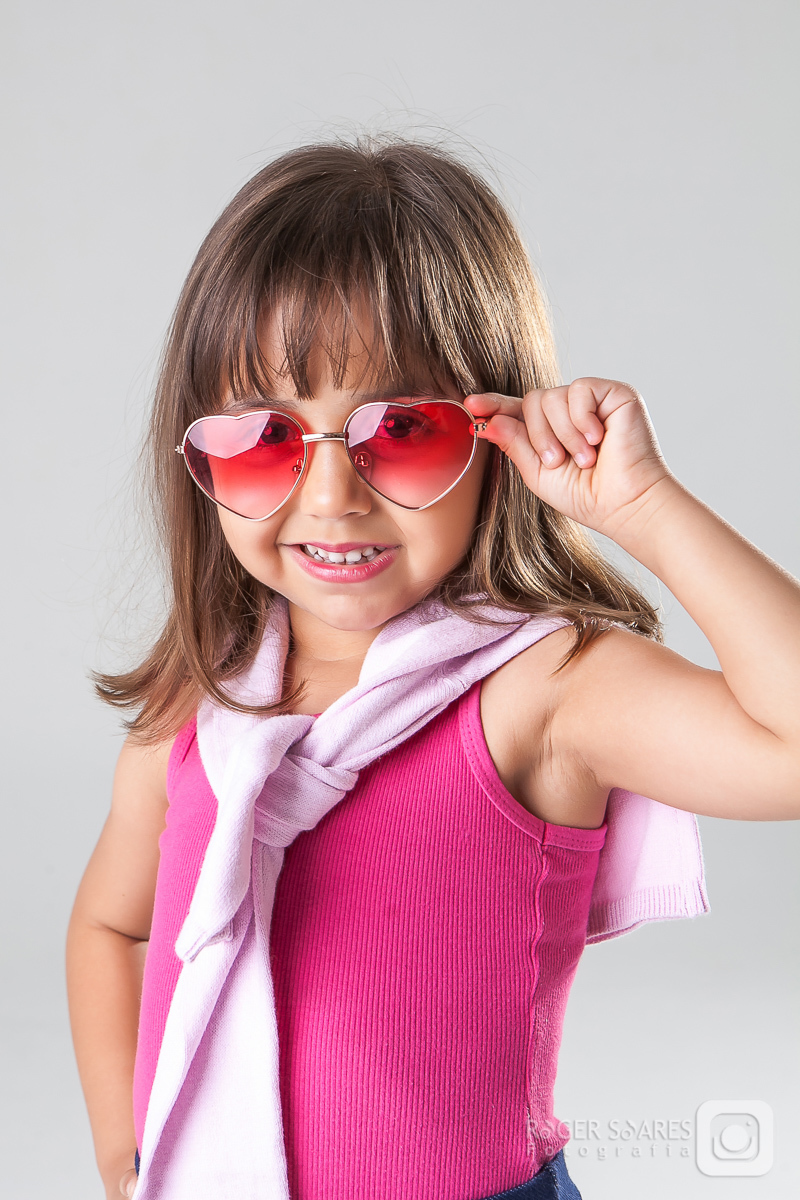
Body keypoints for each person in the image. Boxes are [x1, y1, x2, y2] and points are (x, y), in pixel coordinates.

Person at [65, 137, 800, 1200]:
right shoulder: (201, 706)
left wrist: (642, 508)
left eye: (399, 431)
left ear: (496, 432)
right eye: (267, 438)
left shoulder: (541, 693)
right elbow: (114, 923)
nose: (328, 498)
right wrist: (125, 1156)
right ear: (200, 459)